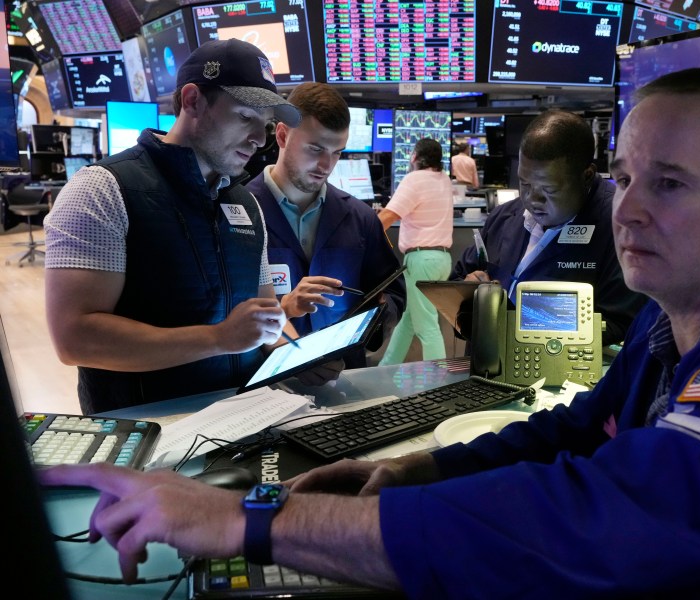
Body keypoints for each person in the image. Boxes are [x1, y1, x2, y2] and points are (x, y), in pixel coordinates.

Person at [40, 68, 700, 596]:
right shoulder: (674, 330)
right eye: (627, 175)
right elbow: (572, 432)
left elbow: (594, 522)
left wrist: (248, 526)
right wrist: (420, 466)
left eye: (670, 184)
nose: (629, 209)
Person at [42, 39, 301, 414]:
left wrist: (297, 359)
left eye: (265, 125)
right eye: (246, 117)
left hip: (241, 420)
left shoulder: (246, 203)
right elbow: (75, 338)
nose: (259, 140)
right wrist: (217, 339)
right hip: (146, 432)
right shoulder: (103, 189)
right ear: (193, 100)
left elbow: (260, 318)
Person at [243, 82, 405, 369]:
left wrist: (379, 313)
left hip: (344, 380)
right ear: (282, 135)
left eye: (337, 152)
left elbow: (393, 292)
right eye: (315, 148)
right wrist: (285, 308)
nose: (325, 165)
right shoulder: (238, 213)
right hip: (262, 387)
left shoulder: (360, 218)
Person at [452, 109, 644, 344]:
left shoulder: (622, 226)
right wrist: (470, 292)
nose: (533, 199)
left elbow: (623, 325)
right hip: (485, 372)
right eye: (525, 183)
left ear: (586, 176)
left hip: (571, 378)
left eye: (549, 190)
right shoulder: (505, 216)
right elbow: (457, 284)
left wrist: (515, 318)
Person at [377, 138, 454, 364]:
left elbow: (388, 217)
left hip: (421, 261)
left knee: (427, 326)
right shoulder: (444, 179)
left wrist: (364, 235)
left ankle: (438, 382)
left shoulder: (414, 179)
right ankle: (385, 369)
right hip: (441, 260)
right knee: (409, 319)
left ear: (414, 157)